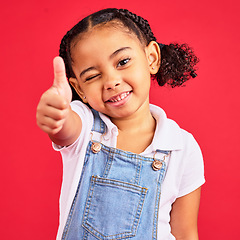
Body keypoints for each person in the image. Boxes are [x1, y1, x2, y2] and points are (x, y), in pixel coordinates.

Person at [36, 8, 205, 240]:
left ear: (151, 58)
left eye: (122, 62)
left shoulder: (181, 146)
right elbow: (67, 129)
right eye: (92, 76)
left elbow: (186, 233)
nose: (111, 82)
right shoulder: (85, 126)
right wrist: (58, 114)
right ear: (79, 90)